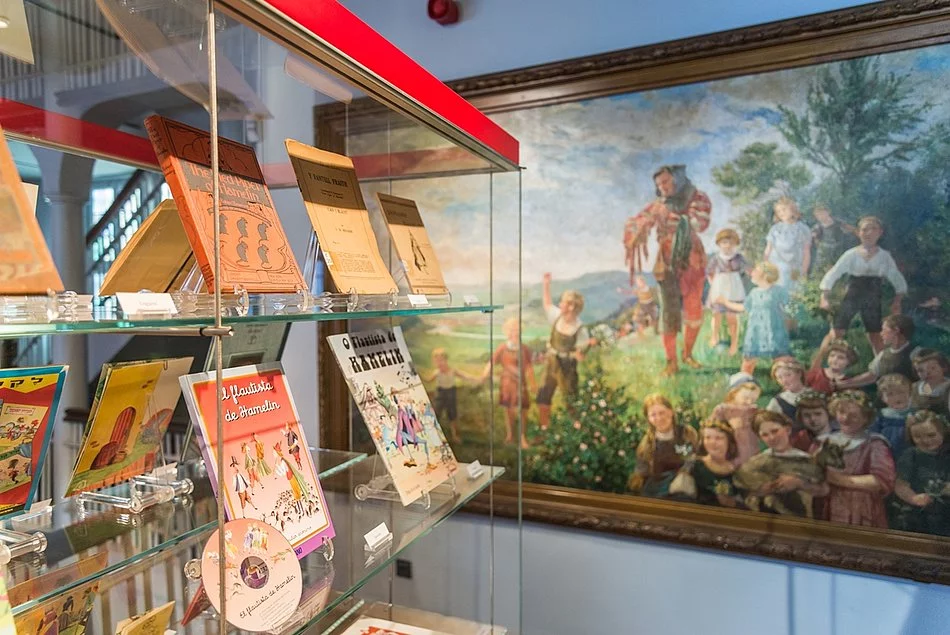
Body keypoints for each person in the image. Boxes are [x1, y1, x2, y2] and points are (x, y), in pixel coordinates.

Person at [624, 165, 711, 375]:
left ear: (677, 179)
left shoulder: (698, 197)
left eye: (665, 182)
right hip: (666, 262)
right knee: (668, 313)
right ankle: (671, 362)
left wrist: (674, 217)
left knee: (693, 309)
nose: (662, 187)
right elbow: (639, 220)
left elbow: (700, 224)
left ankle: (687, 354)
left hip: (692, 259)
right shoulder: (658, 205)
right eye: (658, 184)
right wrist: (635, 228)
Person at [819, 216, 908, 354]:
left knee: (875, 333)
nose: (869, 233)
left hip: (873, 295)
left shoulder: (884, 256)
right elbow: (834, 273)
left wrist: (897, 301)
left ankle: (879, 363)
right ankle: (824, 359)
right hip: (853, 292)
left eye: (873, 229)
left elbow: (896, 278)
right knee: (837, 330)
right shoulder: (851, 254)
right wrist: (824, 297)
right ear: (858, 232)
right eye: (865, 229)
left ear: (880, 232)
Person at [734, 410, 830, 518]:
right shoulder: (755, 463)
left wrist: (799, 483)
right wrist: (763, 490)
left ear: (787, 429)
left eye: (775, 431)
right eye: (765, 435)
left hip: (799, 519)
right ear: (760, 438)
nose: (772, 438)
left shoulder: (806, 459)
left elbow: (824, 489)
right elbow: (743, 492)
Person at [825, 390, 897, 528]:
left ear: (865, 418)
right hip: (829, 503)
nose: (845, 419)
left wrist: (839, 479)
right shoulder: (825, 441)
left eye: (853, 415)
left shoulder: (875, 444)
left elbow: (882, 481)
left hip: (862, 507)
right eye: (841, 412)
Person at [716, 262, 790, 375]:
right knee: (749, 359)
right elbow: (743, 307)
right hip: (756, 331)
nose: (752, 273)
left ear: (765, 275)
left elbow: (789, 307)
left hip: (773, 331)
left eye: (756, 271)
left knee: (780, 359)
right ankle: (743, 380)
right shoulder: (754, 293)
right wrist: (726, 302)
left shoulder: (778, 291)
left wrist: (788, 319)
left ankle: (786, 379)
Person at [536, 272, 589, 430]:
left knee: (570, 397)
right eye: (562, 302)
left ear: (573, 307)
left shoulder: (580, 329)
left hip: (567, 366)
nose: (560, 304)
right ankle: (544, 428)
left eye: (564, 303)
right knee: (544, 393)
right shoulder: (557, 316)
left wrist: (579, 354)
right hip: (551, 362)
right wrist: (546, 284)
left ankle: (575, 430)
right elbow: (547, 303)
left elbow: (582, 352)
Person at [889, 410, 950, 535]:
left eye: (931, 435)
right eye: (918, 437)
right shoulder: (911, 455)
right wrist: (913, 498)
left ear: (942, 432)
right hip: (919, 514)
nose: (926, 441)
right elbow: (900, 485)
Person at [627, 393, 699, 497]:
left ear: (671, 412)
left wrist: (682, 475)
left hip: (682, 486)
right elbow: (641, 473)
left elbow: (691, 459)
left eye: (662, 413)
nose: (659, 418)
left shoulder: (686, 433)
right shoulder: (647, 443)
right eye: (653, 415)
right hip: (656, 490)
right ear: (648, 418)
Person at [483, 317, 536, 448]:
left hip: (521, 383)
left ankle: (523, 437)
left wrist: (533, 383)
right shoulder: (502, 348)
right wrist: (484, 375)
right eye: (512, 330)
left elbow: (529, 367)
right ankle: (510, 435)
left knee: (523, 409)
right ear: (507, 332)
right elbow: (491, 362)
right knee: (509, 409)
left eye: (517, 330)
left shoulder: (524, 349)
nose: (514, 333)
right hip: (507, 383)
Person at [834, 314, 917, 389]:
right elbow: (871, 376)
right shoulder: (883, 355)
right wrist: (841, 384)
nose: (881, 334)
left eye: (884, 330)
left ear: (896, 330)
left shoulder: (915, 353)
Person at [677, 419, 742, 507]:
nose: (712, 442)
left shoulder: (737, 473)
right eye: (707, 438)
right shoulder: (693, 465)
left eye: (718, 438)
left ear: (729, 441)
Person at [706, 228, 750, 355]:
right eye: (724, 242)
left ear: (735, 244)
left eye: (731, 243)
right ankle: (714, 336)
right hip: (719, 286)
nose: (727, 246)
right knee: (717, 314)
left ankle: (734, 343)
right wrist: (714, 285)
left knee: (732, 316)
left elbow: (748, 269)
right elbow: (709, 272)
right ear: (719, 244)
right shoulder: (716, 258)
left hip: (734, 288)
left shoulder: (738, 258)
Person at [426, 348, 480, 441]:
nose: (439, 363)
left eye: (441, 360)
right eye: (437, 361)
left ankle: (455, 435)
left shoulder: (452, 370)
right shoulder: (436, 372)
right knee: (436, 413)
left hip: (451, 393)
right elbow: (428, 380)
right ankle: (432, 435)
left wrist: (477, 378)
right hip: (440, 394)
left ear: (446, 360)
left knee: (452, 414)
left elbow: (465, 376)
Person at [711, 373, 762, 467]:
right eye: (745, 398)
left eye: (753, 399)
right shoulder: (723, 409)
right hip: (731, 451)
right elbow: (712, 430)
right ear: (734, 393)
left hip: (751, 451)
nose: (749, 402)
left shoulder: (754, 411)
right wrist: (729, 427)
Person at [764, 196, 812, 292]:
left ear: (793, 209)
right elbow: (768, 249)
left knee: (793, 292)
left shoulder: (802, 229)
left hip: (794, 267)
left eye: (784, 209)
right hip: (777, 267)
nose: (781, 213)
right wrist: (766, 267)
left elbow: (806, 252)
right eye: (779, 211)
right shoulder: (775, 229)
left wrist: (804, 271)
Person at [869, 373, 916, 459]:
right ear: (883, 398)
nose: (897, 397)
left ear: (909, 393)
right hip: (886, 454)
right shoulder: (880, 415)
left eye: (901, 392)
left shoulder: (915, 413)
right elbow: (872, 435)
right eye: (890, 394)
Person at [810, 204, 857, 277]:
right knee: (821, 271)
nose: (820, 217)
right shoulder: (817, 227)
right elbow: (815, 240)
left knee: (837, 269)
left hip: (837, 250)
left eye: (822, 213)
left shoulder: (837, 222)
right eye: (818, 215)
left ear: (828, 212)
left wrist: (858, 232)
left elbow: (850, 228)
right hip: (824, 252)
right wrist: (817, 243)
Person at [909, 348, 950, 413]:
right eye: (921, 370)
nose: (927, 373)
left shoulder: (947, 387)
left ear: (943, 367)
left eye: (932, 368)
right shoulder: (915, 387)